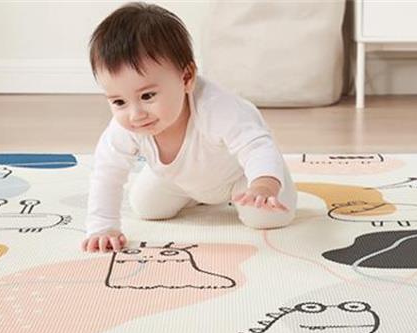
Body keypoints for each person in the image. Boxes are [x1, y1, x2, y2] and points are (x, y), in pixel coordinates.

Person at [81, 2, 297, 253]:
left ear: (186, 78)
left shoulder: (218, 108)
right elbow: (106, 172)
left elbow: (256, 146)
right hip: (181, 182)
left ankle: (271, 177)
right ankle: (193, 194)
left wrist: (264, 184)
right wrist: (103, 226)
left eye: (148, 96)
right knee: (146, 207)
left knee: (266, 216)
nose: (135, 114)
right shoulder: (125, 127)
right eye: (119, 102)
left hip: (240, 176)